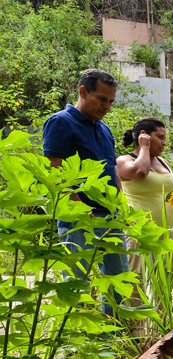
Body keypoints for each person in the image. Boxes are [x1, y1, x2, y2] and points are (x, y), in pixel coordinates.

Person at [42, 68, 129, 317]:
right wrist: (80, 206)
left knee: (118, 280)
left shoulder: (104, 129)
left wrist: (120, 204)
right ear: (83, 91)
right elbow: (54, 169)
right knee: (76, 280)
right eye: (102, 99)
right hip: (77, 217)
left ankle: (111, 340)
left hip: (109, 215)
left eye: (111, 101)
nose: (107, 106)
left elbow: (113, 170)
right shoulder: (61, 122)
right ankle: (75, 346)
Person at [116, 117, 173, 275]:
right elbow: (141, 172)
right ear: (144, 135)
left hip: (168, 232)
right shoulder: (124, 161)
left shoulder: (164, 162)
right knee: (137, 282)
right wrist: (144, 148)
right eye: (160, 137)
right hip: (139, 232)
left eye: (165, 138)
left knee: (166, 283)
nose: (164, 142)